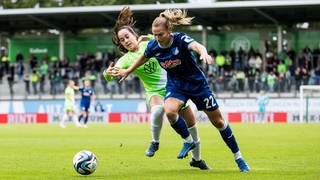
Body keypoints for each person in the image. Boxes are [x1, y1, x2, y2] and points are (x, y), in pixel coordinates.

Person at [116, 8, 250, 172]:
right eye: (154, 34)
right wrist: (127, 71)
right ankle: (187, 140)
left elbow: (196, 45)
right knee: (170, 111)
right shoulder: (153, 46)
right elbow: (143, 57)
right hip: (176, 85)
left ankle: (239, 157)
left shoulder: (180, 39)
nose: (157, 38)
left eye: (160, 34)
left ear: (169, 31)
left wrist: (204, 53)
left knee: (219, 122)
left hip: (197, 85)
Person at [104, 7, 210, 170]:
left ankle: (197, 159)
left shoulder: (152, 42)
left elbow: (168, 37)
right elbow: (112, 74)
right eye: (122, 40)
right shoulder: (126, 59)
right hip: (154, 92)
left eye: (127, 36)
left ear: (134, 35)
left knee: (192, 124)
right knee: (157, 110)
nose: (126, 40)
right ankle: (155, 142)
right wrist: (107, 73)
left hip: (175, 87)